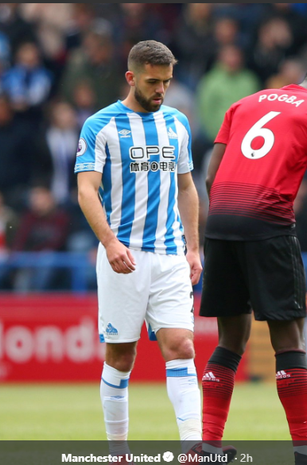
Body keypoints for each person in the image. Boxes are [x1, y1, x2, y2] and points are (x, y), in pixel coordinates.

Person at [198, 62, 307, 465]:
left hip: (220, 223)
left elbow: (210, 180)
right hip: (268, 223)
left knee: (229, 341)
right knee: (289, 342)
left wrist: (227, 224)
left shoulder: (243, 103)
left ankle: (208, 446)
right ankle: (304, 453)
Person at [74, 40, 203, 456]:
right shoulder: (100, 126)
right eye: (153, 82)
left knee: (182, 345)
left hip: (170, 255)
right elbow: (86, 191)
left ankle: (193, 448)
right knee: (120, 356)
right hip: (123, 256)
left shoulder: (178, 123)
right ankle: (118, 452)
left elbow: (187, 188)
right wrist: (109, 242)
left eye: (166, 81)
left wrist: (194, 248)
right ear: (131, 78)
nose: (161, 89)